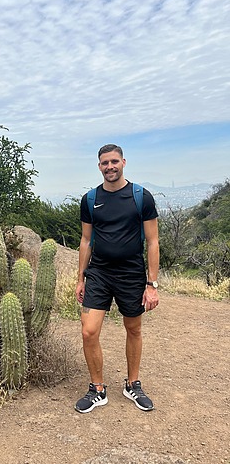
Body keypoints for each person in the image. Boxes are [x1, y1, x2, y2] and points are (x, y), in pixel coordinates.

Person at [75, 144, 159, 413]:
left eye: (114, 161)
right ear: (98, 166)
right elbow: (86, 240)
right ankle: (97, 388)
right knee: (88, 331)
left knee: (133, 328)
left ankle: (133, 384)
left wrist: (152, 284)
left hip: (131, 274)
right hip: (99, 273)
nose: (109, 167)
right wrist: (80, 279)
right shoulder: (90, 199)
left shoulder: (140, 197)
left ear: (123, 162)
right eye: (104, 163)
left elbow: (153, 241)